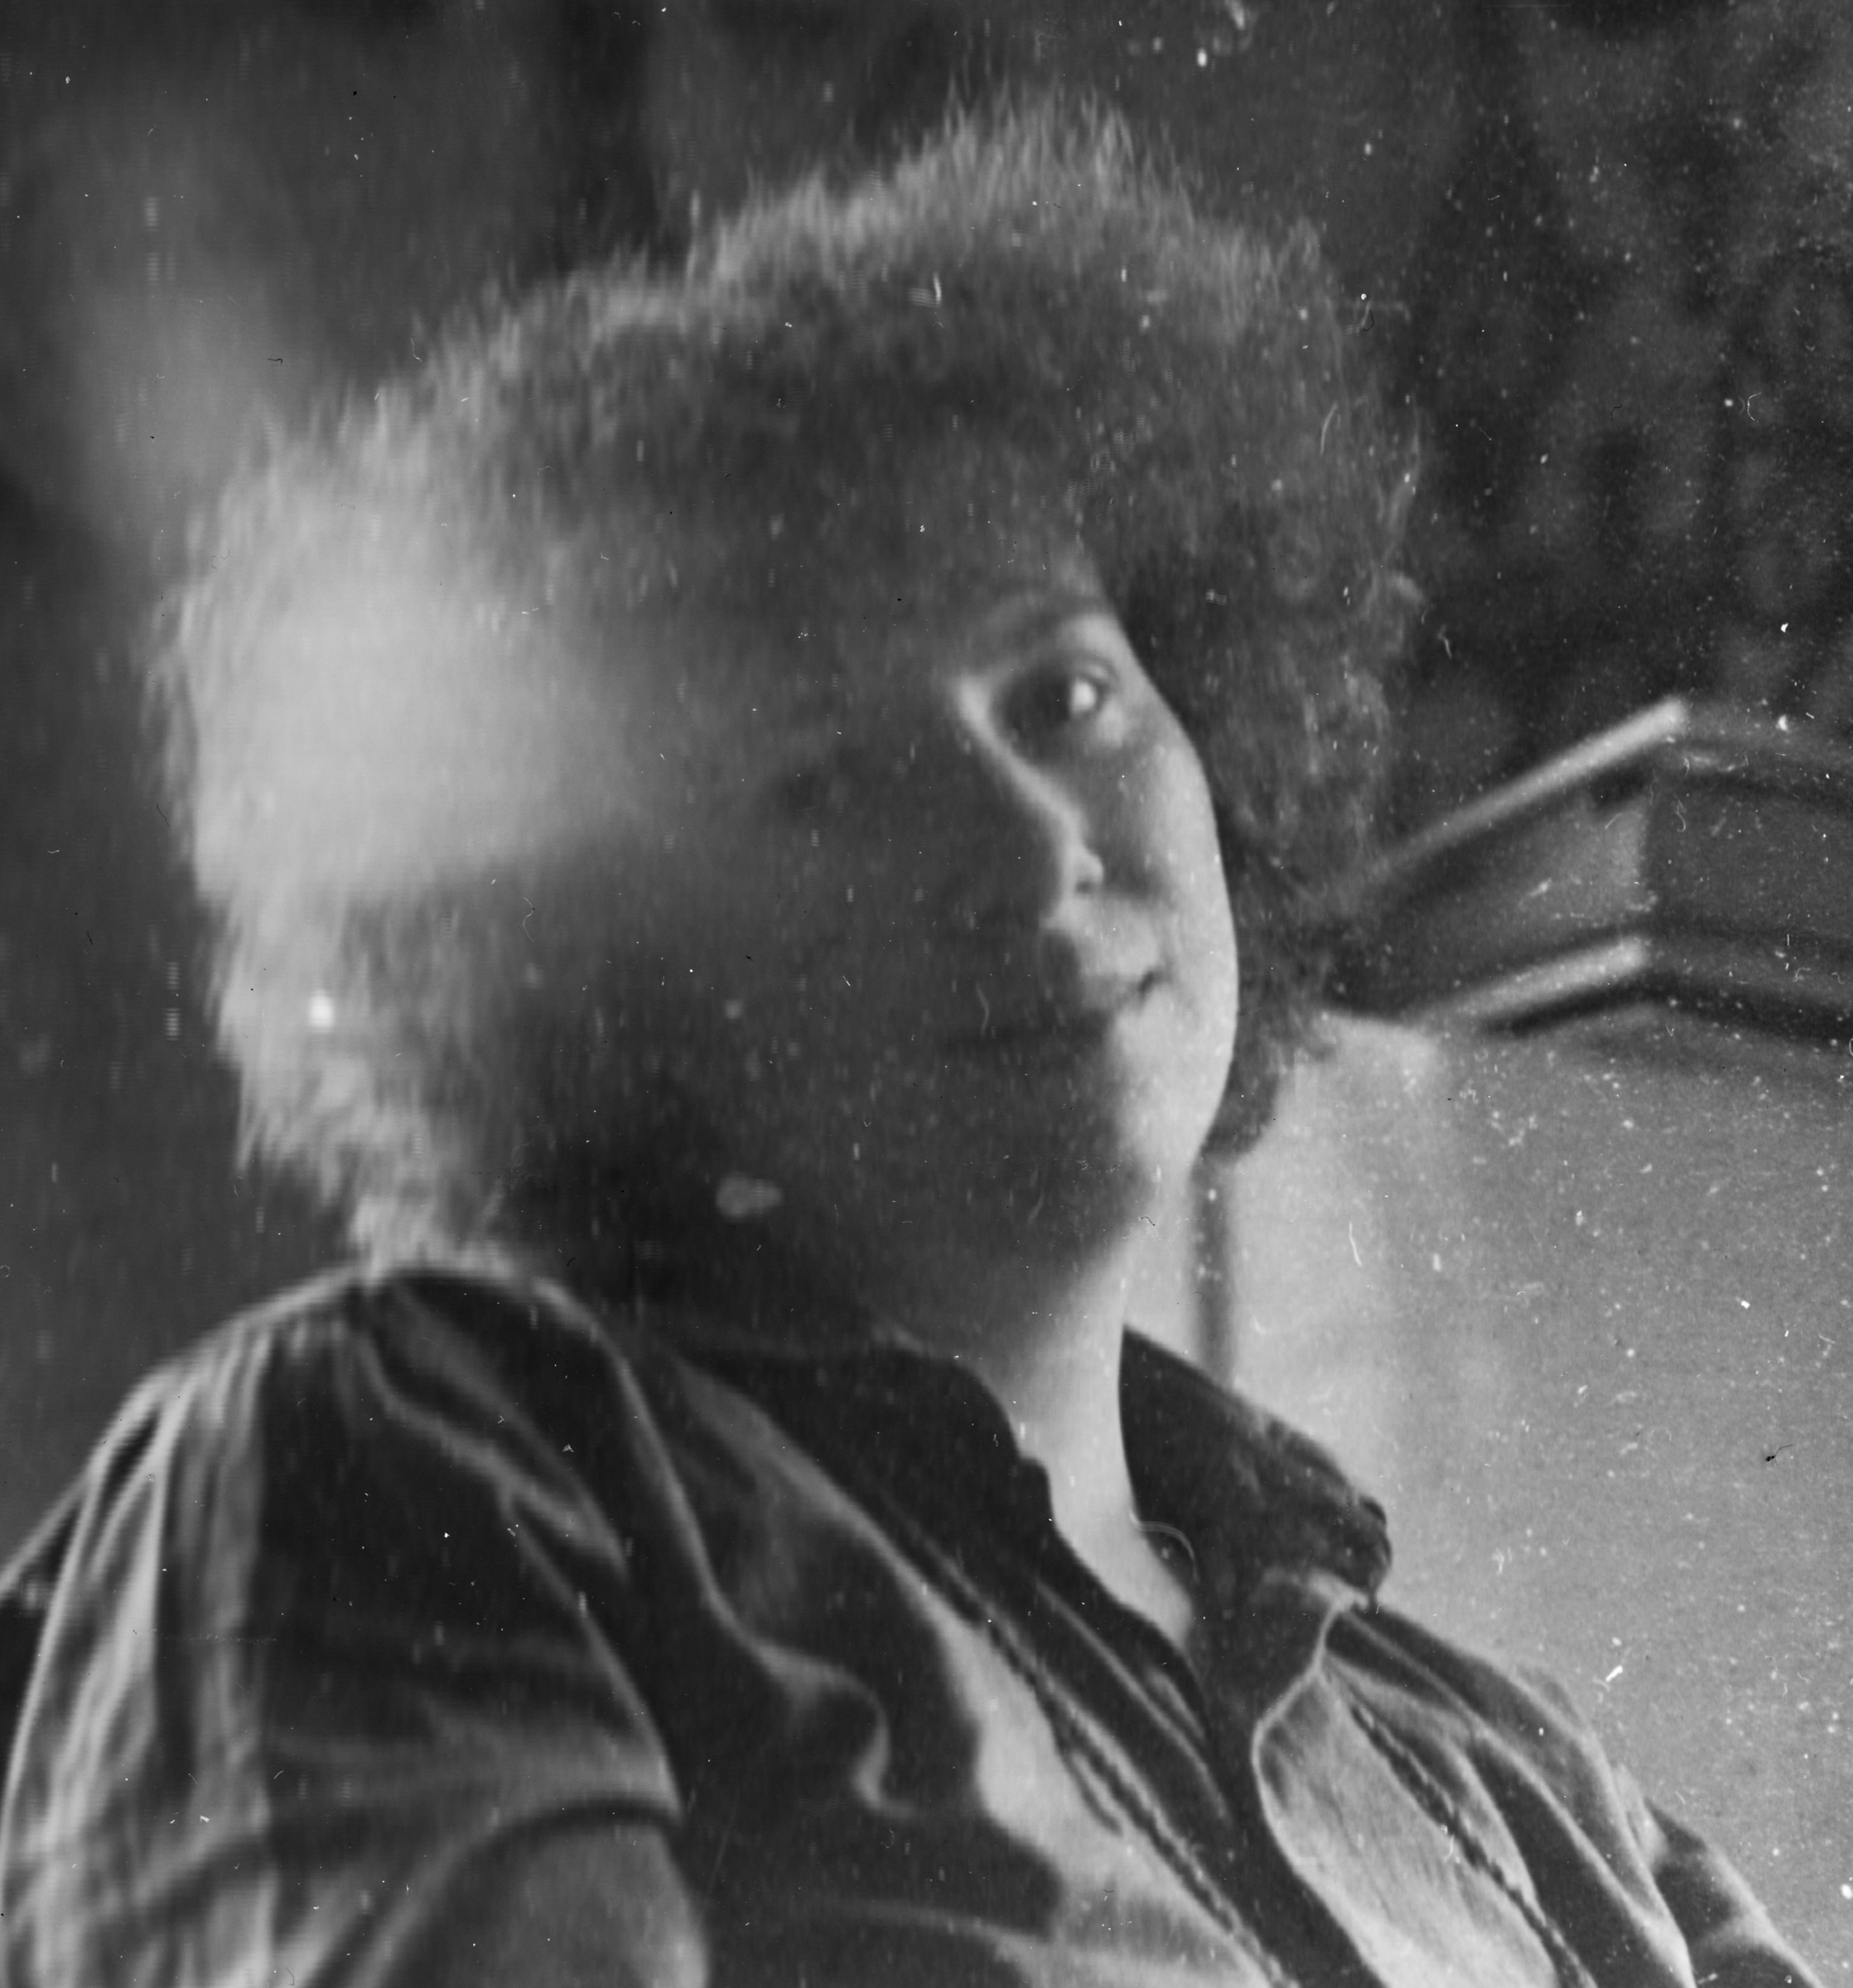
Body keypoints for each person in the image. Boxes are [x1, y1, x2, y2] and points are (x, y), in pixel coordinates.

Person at [0, 104, 1818, 1987]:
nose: (1029, 842)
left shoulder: (1535, 1786)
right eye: (821, 782)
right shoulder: (398, 1466)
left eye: (1067, 693)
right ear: (609, 967)